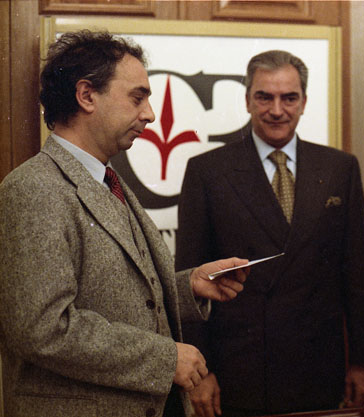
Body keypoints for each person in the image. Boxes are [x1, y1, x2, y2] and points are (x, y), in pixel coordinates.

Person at [0, 30, 250, 417]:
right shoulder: (34, 189)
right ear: (86, 96)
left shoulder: (107, 179)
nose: (150, 114)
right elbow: (43, 329)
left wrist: (188, 286)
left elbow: (114, 296)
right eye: (138, 97)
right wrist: (165, 359)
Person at [175, 50, 364, 417]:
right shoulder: (208, 171)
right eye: (264, 97)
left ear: (304, 102)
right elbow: (189, 280)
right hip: (240, 369)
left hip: (318, 366)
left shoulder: (339, 168)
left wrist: (363, 361)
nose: (277, 110)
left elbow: (358, 274)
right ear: (247, 100)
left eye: (289, 98)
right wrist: (200, 373)